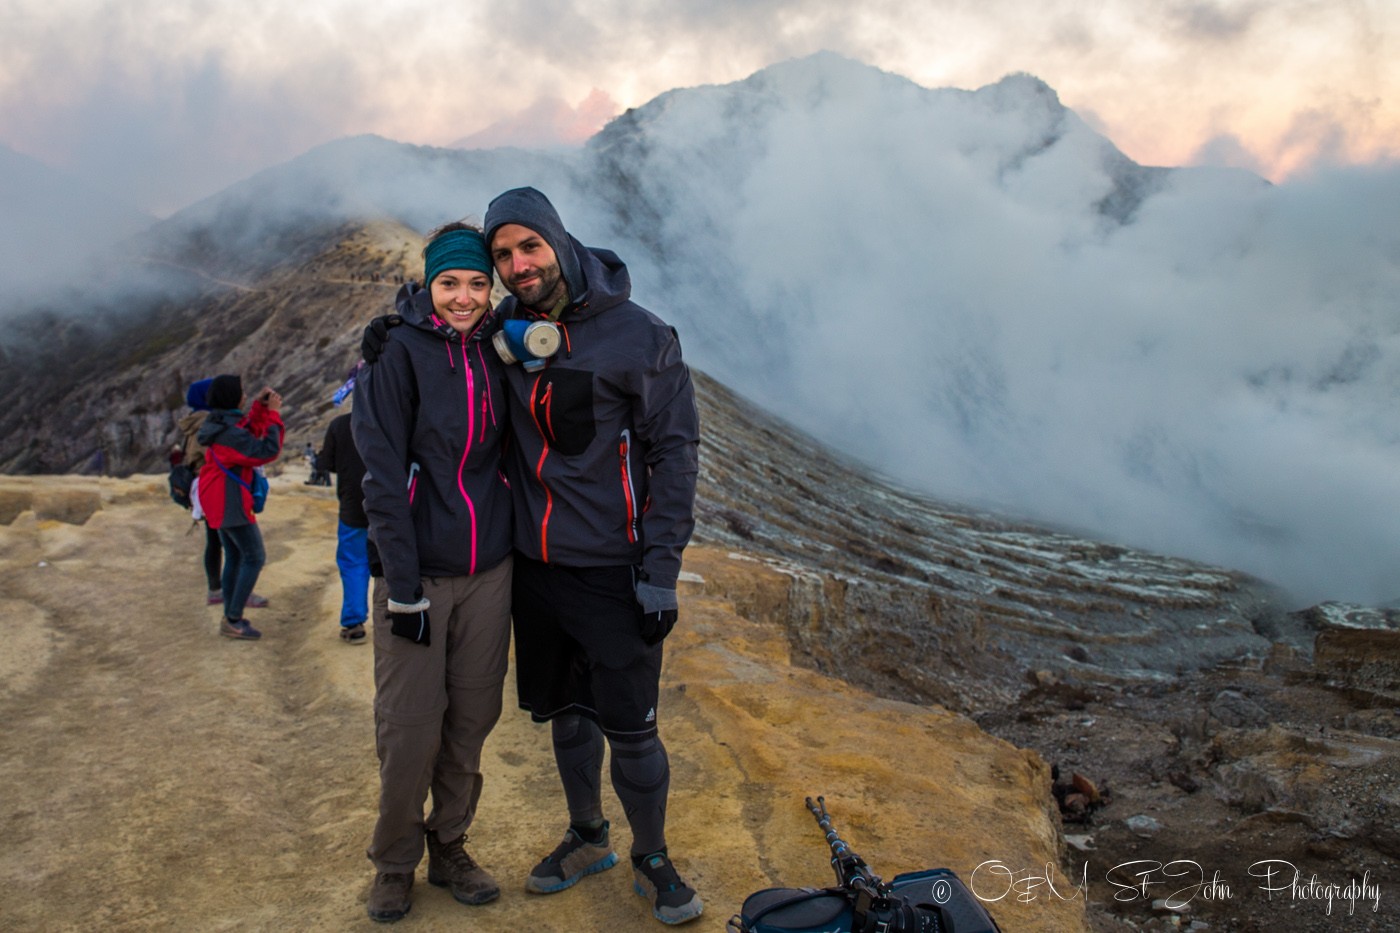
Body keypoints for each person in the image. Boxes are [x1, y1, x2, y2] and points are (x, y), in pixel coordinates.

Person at [486, 187, 702, 925]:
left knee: (632, 726)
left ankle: (653, 854)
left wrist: (661, 569)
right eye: (503, 255)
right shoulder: (506, 331)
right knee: (566, 715)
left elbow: (675, 453)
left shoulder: (641, 337)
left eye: (529, 247)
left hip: (615, 572)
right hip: (535, 571)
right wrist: (397, 336)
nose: (518, 265)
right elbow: (443, 353)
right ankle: (588, 837)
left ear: (558, 242)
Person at [352, 222, 514, 923]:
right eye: (451, 283)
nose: (464, 297)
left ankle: (450, 843)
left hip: (490, 571)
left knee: (472, 719)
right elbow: (381, 477)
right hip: (418, 575)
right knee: (410, 727)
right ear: (428, 283)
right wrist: (403, 585)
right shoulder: (397, 355)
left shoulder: (500, 349)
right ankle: (394, 861)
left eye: (478, 283)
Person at [196, 374, 284, 640]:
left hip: (217, 498)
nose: (245, 395)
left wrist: (260, 408)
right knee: (254, 556)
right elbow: (264, 450)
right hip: (229, 501)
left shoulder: (221, 423)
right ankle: (233, 619)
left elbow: (248, 429)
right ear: (231, 397)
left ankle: (231, 614)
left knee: (235, 555)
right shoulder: (229, 434)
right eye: (242, 392)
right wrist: (274, 416)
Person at [178, 377, 268, 610]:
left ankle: (219, 591)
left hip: (206, 489)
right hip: (219, 489)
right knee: (240, 550)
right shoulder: (208, 424)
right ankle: (234, 598)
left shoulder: (197, 422)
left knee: (219, 542)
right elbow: (235, 450)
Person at [317, 368, 371, 644]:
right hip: (393, 508)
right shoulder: (395, 422)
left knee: (353, 564)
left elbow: (326, 465)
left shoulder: (339, 426)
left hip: (353, 508)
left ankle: (354, 623)